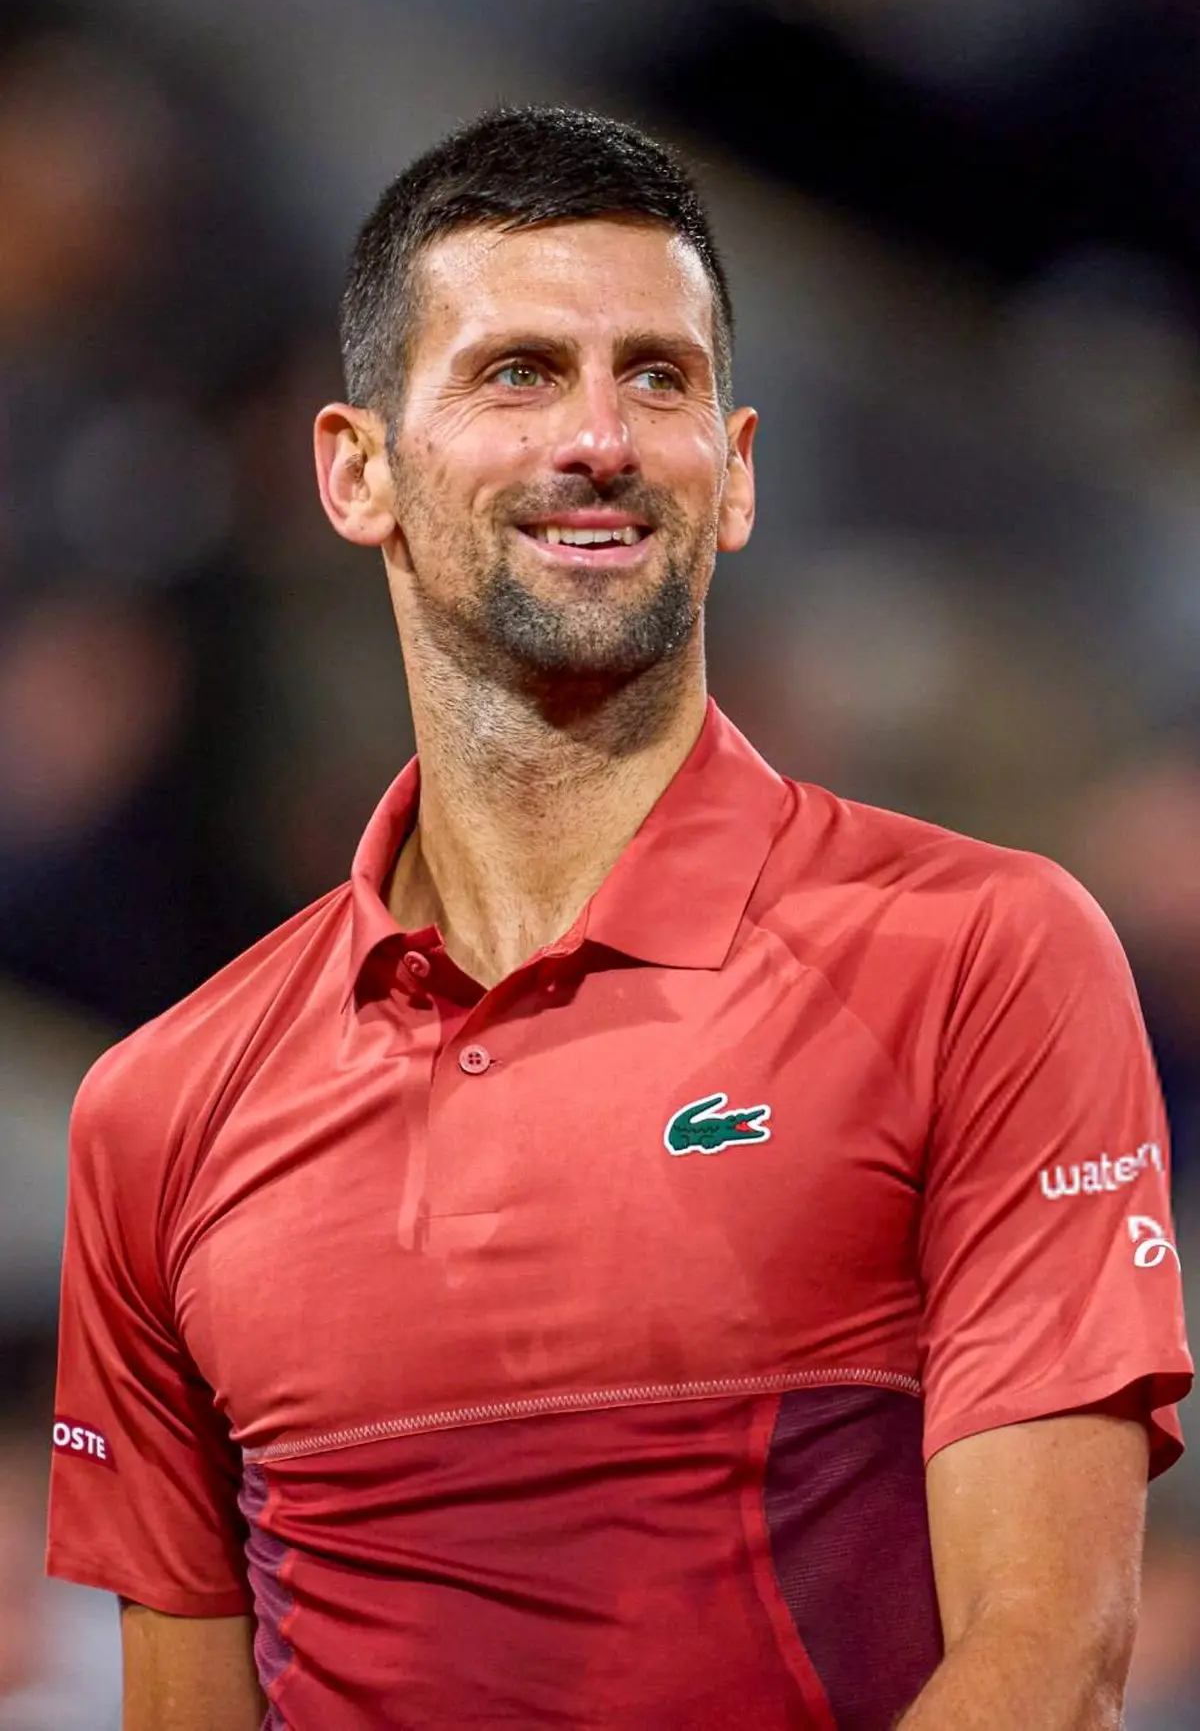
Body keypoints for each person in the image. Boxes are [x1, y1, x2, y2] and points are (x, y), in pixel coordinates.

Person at [46, 105, 1192, 1731]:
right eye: (519, 373)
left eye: (655, 377)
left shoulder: (983, 953)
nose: (600, 436)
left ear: (734, 473)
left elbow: (1049, 1661)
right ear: (357, 469)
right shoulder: (158, 1111)